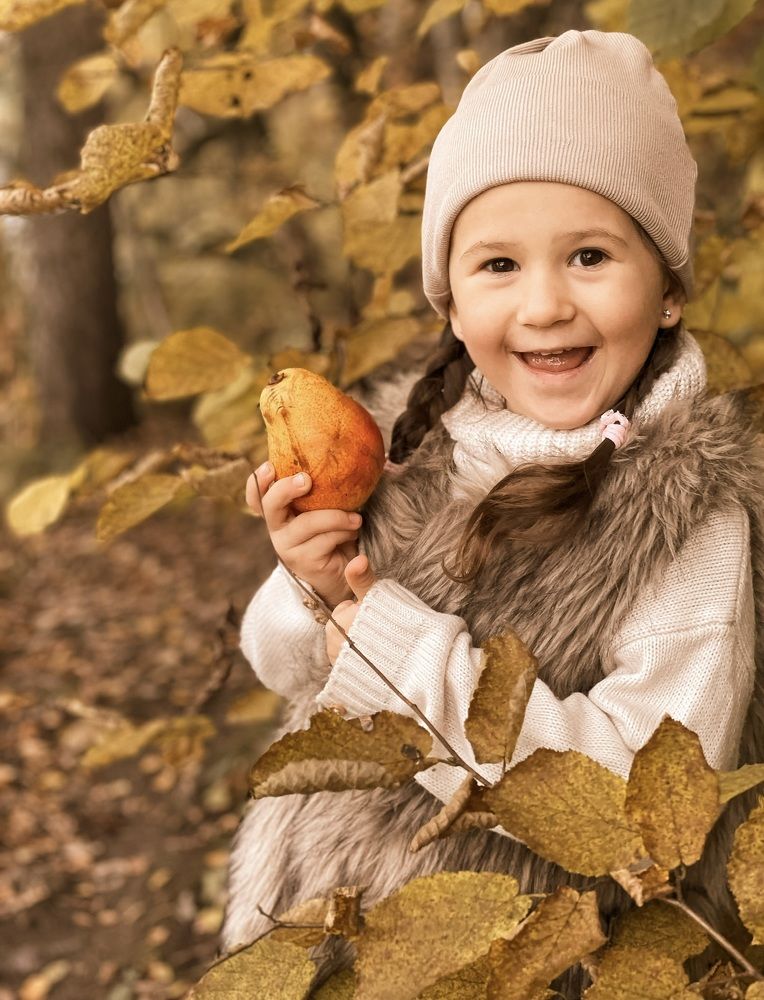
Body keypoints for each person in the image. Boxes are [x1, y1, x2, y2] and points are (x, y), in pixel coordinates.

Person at [222, 30, 763, 996]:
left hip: (525, 966)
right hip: (321, 932)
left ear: (670, 288)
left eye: (590, 255)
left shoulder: (689, 513)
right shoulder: (404, 447)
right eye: (499, 266)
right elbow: (286, 672)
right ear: (451, 298)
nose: (545, 304)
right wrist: (305, 585)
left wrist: (394, 648)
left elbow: (641, 802)